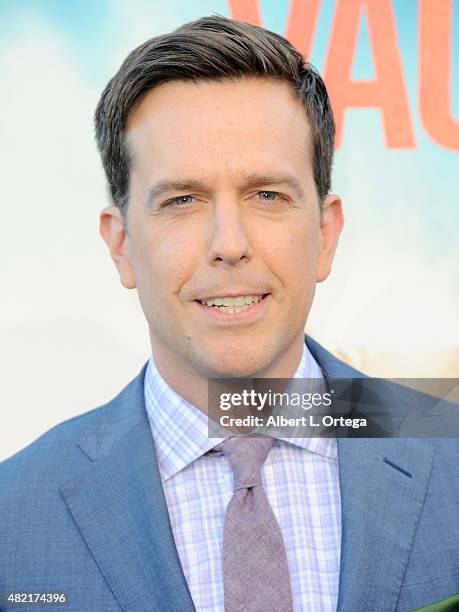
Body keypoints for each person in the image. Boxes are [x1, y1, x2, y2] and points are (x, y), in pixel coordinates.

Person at [0, 15, 458, 612]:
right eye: (182, 200)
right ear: (121, 245)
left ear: (325, 232)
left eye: (267, 194)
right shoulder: (14, 513)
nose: (230, 243)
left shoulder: (448, 461)